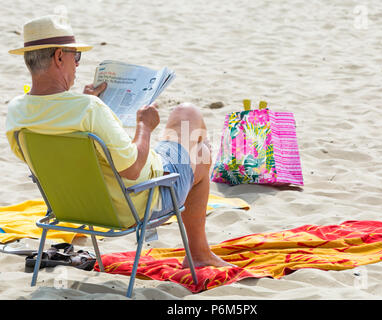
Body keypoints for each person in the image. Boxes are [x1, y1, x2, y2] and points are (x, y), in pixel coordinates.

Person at [6, 15, 232, 268]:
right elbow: (133, 169)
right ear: (59, 57)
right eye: (75, 56)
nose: (78, 65)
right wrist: (144, 127)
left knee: (196, 145)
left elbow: (58, 157)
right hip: (138, 203)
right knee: (191, 123)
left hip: (74, 207)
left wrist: (91, 105)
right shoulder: (89, 110)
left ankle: (200, 252)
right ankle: (200, 254)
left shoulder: (17, 111)